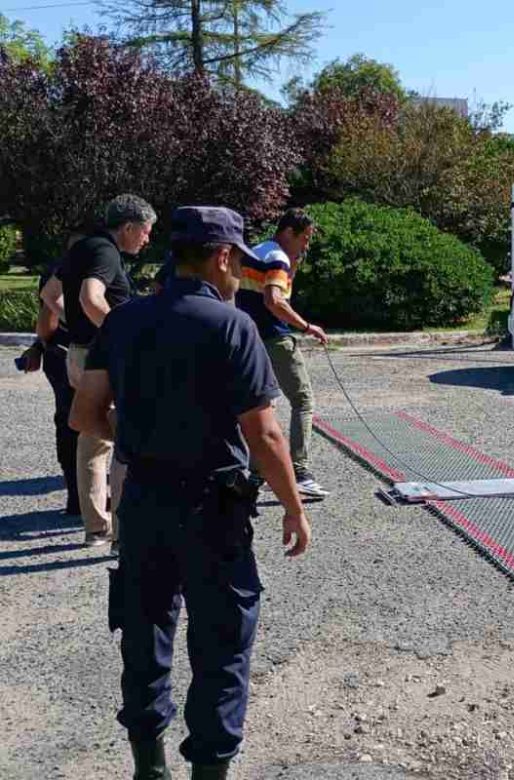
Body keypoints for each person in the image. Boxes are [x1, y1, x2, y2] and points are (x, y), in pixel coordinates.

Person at [70, 206, 312, 780]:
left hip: (146, 499)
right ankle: (209, 768)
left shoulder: (123, 322)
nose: (242, 279)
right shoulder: (232, 326)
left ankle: (148, 768)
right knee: (222, 641)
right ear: (221, 257)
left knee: (145, 628)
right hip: (213, 506)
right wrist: (295, 506)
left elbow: (86, 413)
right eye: (239, 266)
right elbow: (266, 433)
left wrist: (138, 440)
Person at [56, 194, 156, 545]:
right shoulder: (106, 253)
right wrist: (124, 335)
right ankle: (122, 533)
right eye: (144, 231)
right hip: (101, 358)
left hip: (78, 353)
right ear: (128, 227)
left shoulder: (82, 248)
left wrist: (78, 333)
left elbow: (52, 296)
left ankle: (96, 528)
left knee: (91, 440)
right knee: (123, 437)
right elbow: (90, 297)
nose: (147, 238)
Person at [236, 208, 329, 499]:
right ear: (288, 232)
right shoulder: (277, 257)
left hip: (248, 340)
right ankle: (300, 471)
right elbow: (274, 299)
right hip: (275, 339)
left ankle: (257, 472)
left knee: (261, 405)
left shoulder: (257, 251)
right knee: (303, 401)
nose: (306, 245)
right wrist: (306, 326)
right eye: (304, 238)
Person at [18, 231, 86, 516]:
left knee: (72, 424)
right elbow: (47, 322)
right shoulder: (68, 272)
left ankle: (79, 494)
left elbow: (45, 326)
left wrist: (38, 346)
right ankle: (80, 495)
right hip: (69, 354)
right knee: (80, 425)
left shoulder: (59, 271)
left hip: (62, 354)